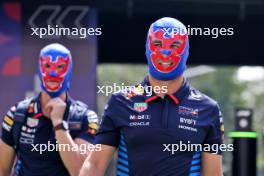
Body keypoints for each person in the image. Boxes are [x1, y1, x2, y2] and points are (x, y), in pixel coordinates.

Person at [80, 17, 224, 176]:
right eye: (157, 44)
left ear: (186, 51)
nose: (165, 53)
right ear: (147, 48)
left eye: (175, 45)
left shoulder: (208, 109)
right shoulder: (121, 101)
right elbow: (94, 165)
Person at [0, 43, 99, 176]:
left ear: (69, 70)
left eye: (60, 67)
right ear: (39, 68)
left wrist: (59, 125)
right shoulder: (17, 114)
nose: (53, 73)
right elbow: (2, 170)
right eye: (47, 66)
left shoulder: (84, 117)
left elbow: (80, 172)